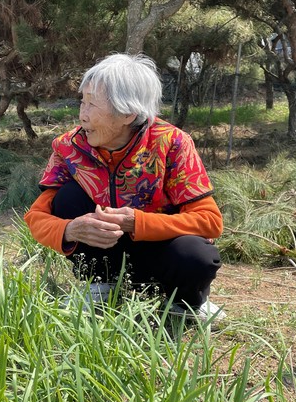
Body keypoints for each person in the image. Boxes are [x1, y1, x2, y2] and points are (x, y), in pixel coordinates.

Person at [24, 53, 224, 319]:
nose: (82, 115)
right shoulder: (69, 147)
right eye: (82, 101)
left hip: (163, 254)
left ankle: (185, 301)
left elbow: (210, 221)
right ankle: (101, 286)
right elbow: (36, 217)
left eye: (92, 104)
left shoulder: (172, 143)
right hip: (105, 254)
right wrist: (70, 229)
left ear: (128, 113)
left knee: (196, 255)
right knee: (67, 198)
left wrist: (136, 222)